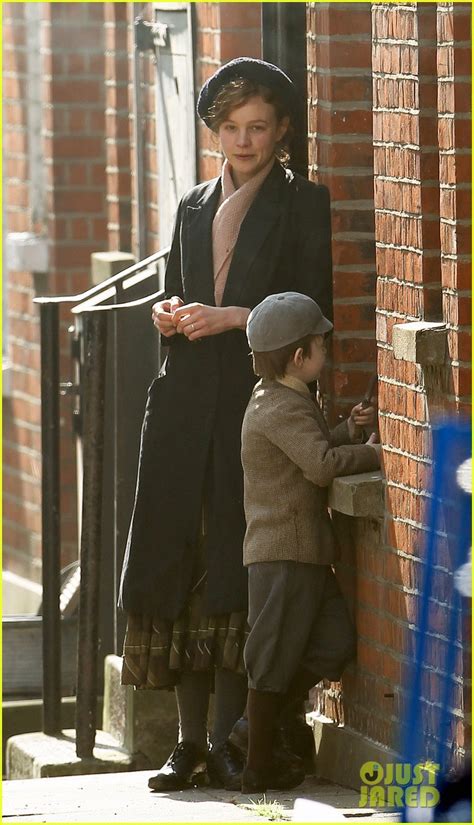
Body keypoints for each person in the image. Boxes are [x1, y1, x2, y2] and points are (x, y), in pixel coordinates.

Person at [118, 57, 333, 792]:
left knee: (239, 568)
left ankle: (233, 735)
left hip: (256, 407)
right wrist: (168, 314)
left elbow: (312, 307)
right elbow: (179, 298)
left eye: (259, 127)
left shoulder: (305, 205)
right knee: (179, 561)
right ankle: (185, 743)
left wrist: (238, 318)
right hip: (184, 407)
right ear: (215, 133)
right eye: (232, 128)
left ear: (282, 134)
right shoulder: (190, 205)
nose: (245, 141)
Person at [237, 292, 381, 793]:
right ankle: (255, 767)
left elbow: (311, 446)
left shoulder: (290, 398)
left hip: (306, 553)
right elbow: (319, 465)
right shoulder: (277, 408)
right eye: (321, 346)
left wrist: (346, 430)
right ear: (299, 358)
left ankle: (257, 726)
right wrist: (374, 454)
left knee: (334, 643)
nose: (326, 353)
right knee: (272, 656)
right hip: (282, 553)